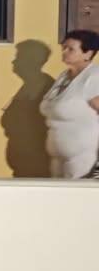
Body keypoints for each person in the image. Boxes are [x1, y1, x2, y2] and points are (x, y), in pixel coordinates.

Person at [39, 28, 99, 178]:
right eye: (64, 47)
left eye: (70, 49)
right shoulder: (64, 76)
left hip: (84, 160)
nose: (64, 52)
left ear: (88, 53)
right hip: (58, 158)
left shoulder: (93, 77)